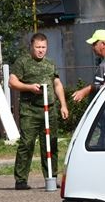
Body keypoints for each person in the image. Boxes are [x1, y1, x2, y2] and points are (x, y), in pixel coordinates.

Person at [8, 32, 69, 190]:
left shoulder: (50, 63)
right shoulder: (23, 62)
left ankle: (51, 177)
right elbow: (12, 82)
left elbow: (57, 84)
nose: (41, 50)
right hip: (30, 111)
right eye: (38, 47)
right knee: (27, 143)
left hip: (50, 110)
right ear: (31, 47)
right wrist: (29, 87)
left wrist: (63, 105)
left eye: (43, 47)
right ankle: (21, 180)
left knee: (50, 144)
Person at [71, 28, 105, 103]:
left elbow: (102, 86)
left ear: (103, 44)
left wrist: (84, 91)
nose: (93, 48)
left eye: (94, 44)